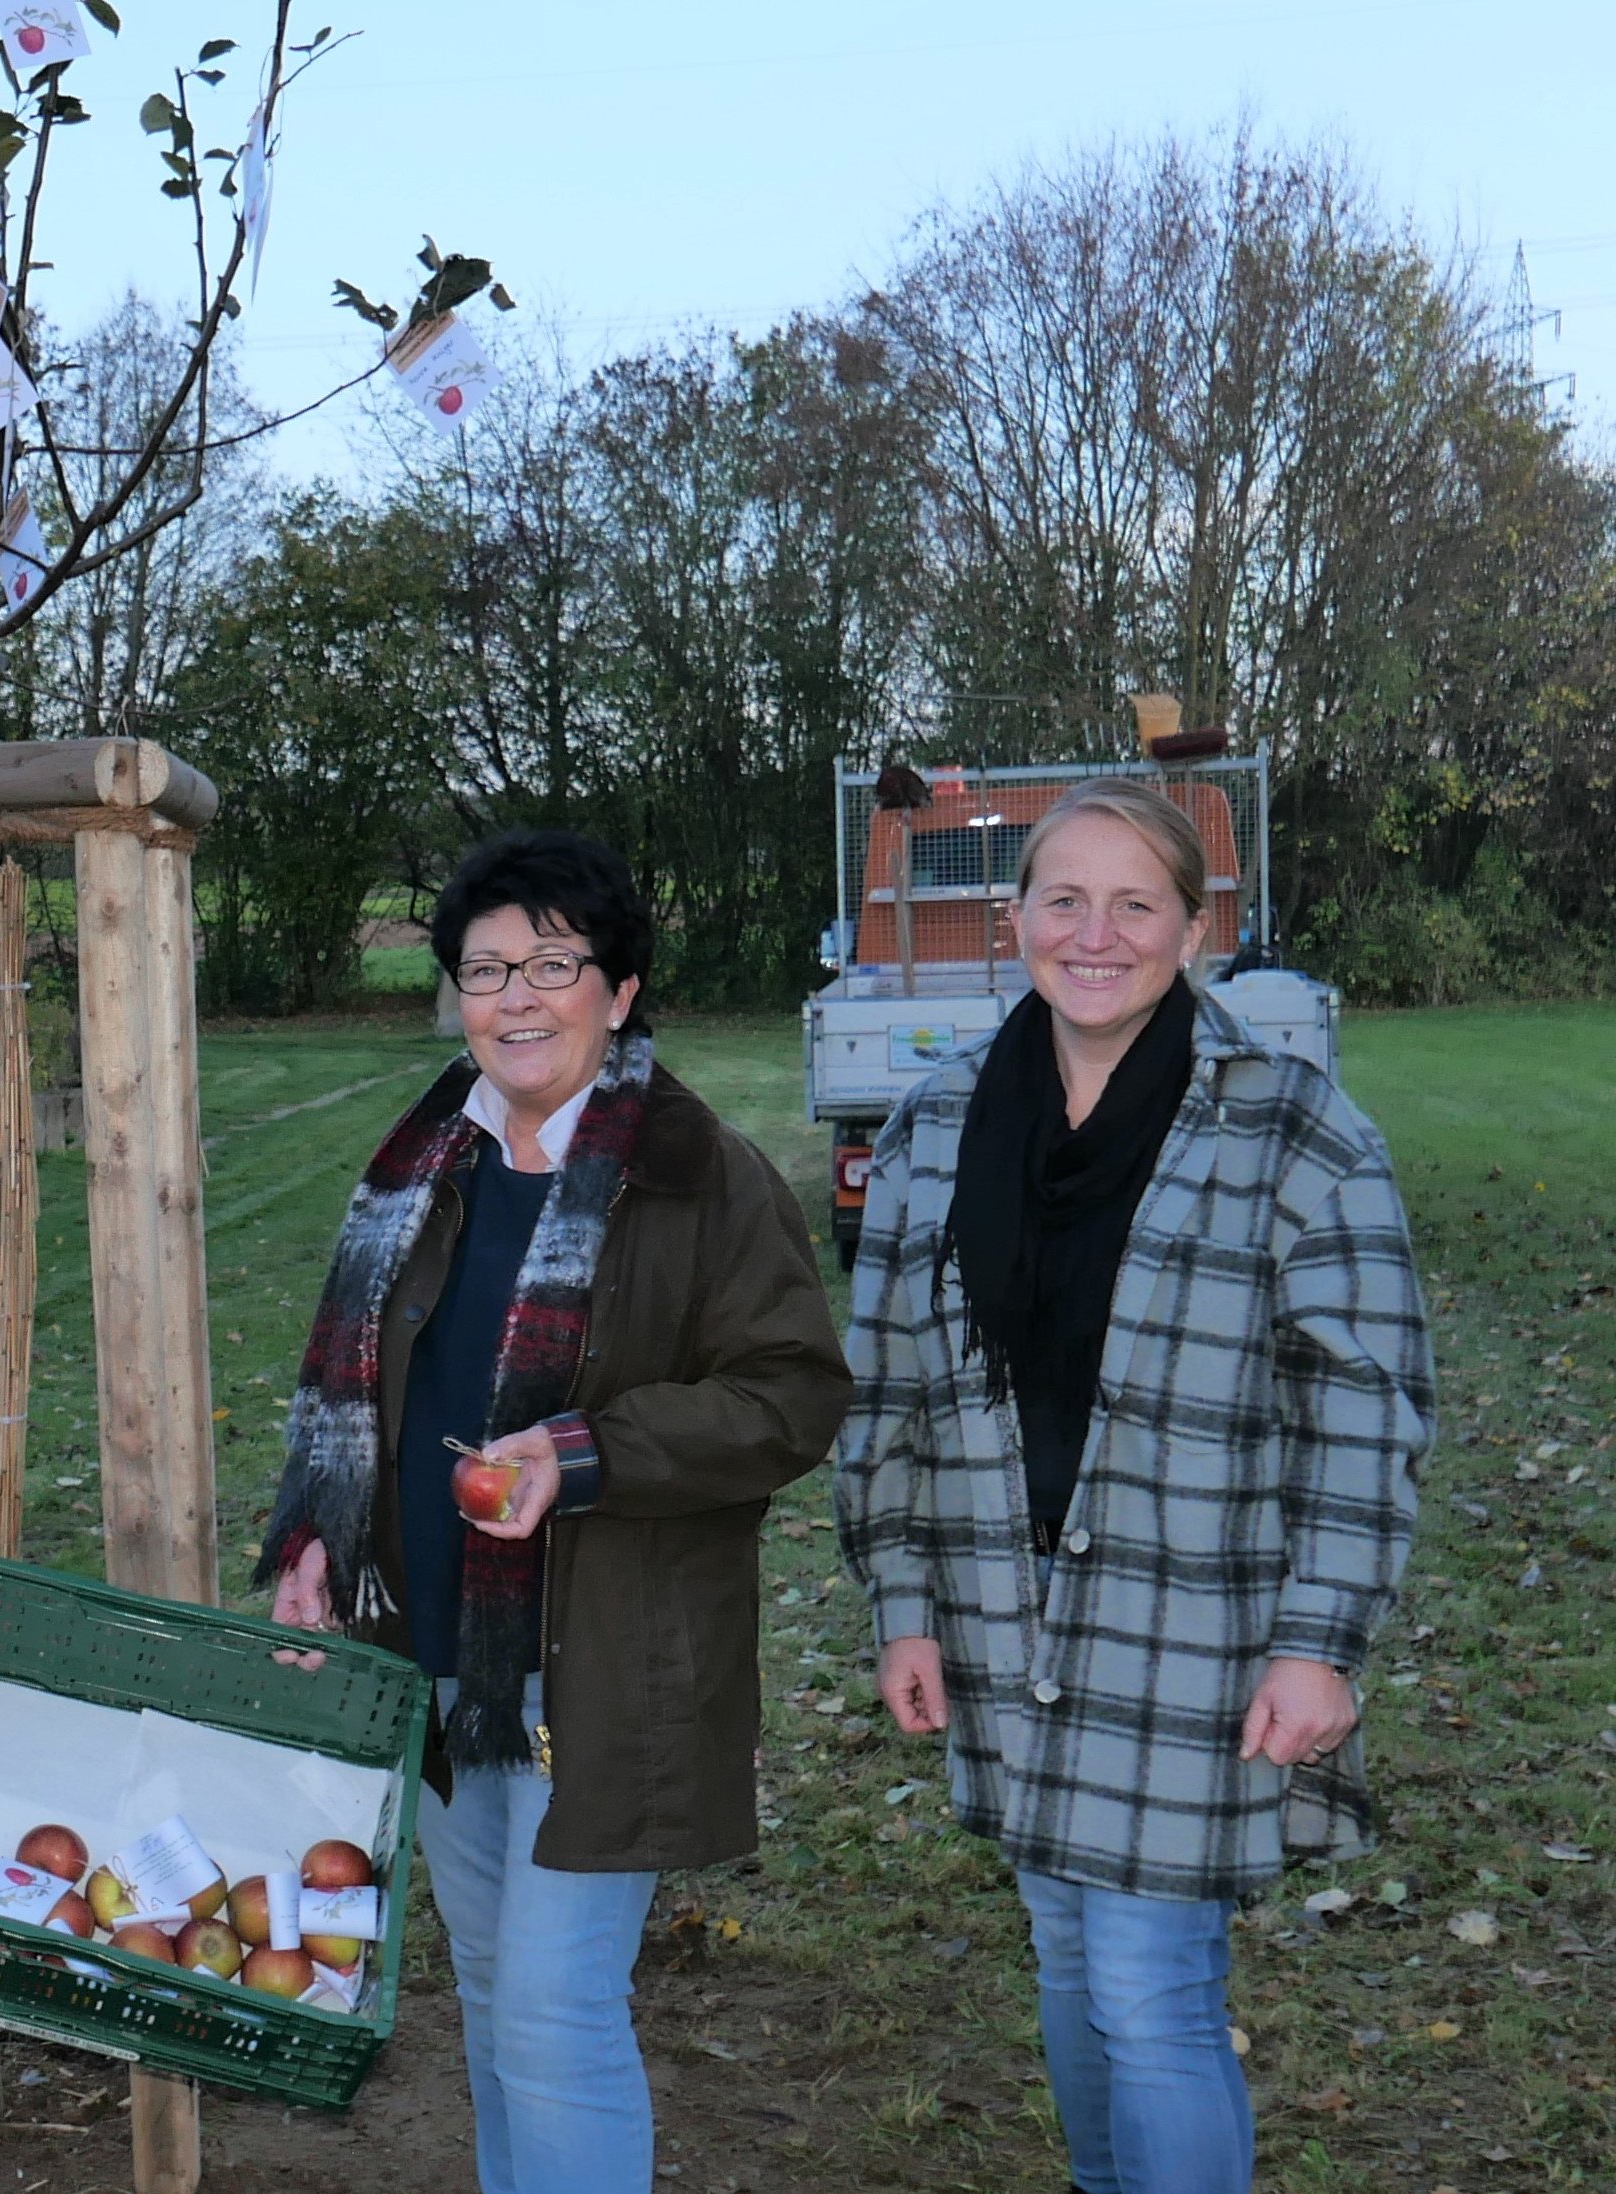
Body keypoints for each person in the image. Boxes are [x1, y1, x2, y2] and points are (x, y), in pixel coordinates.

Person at [832, 776, 1433, 2194]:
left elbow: (1367, 1407)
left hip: (1194, 1624)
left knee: (1150, 1984)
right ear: (1013, 920)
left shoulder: (1294, 1132)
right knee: (1064, 1946)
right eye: (1063, 900)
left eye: (1133, 904)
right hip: (1001, 1607)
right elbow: (888, 1391)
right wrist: (901, 1602)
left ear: (1194, 929)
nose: (1093, 935)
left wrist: (1319, 1640)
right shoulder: (934, 1129)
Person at [256, 830, 849, 2194]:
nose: (515, 997)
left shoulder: (700, 1175)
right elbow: (361, 1392)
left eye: (553, 964)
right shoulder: (422, 1168)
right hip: (437, 1654)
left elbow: (791, 1394)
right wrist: (317, 1536)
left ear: (619, 990)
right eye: (485, 969)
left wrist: (581, 1453)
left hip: (607, 1663)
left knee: (552, 2009)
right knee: (488, 1988)